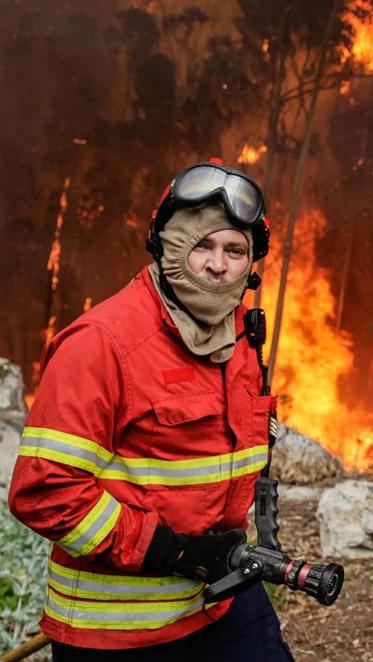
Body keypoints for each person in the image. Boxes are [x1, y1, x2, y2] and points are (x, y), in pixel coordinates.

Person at [7, 160, 293, 660]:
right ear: (166, 247)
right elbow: (43, 491)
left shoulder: (243, 337)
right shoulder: (102, 345)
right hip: (120, 627)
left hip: (222, 599)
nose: (218, 265)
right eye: (201, 245)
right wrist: (173, 551)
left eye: (234, 250)